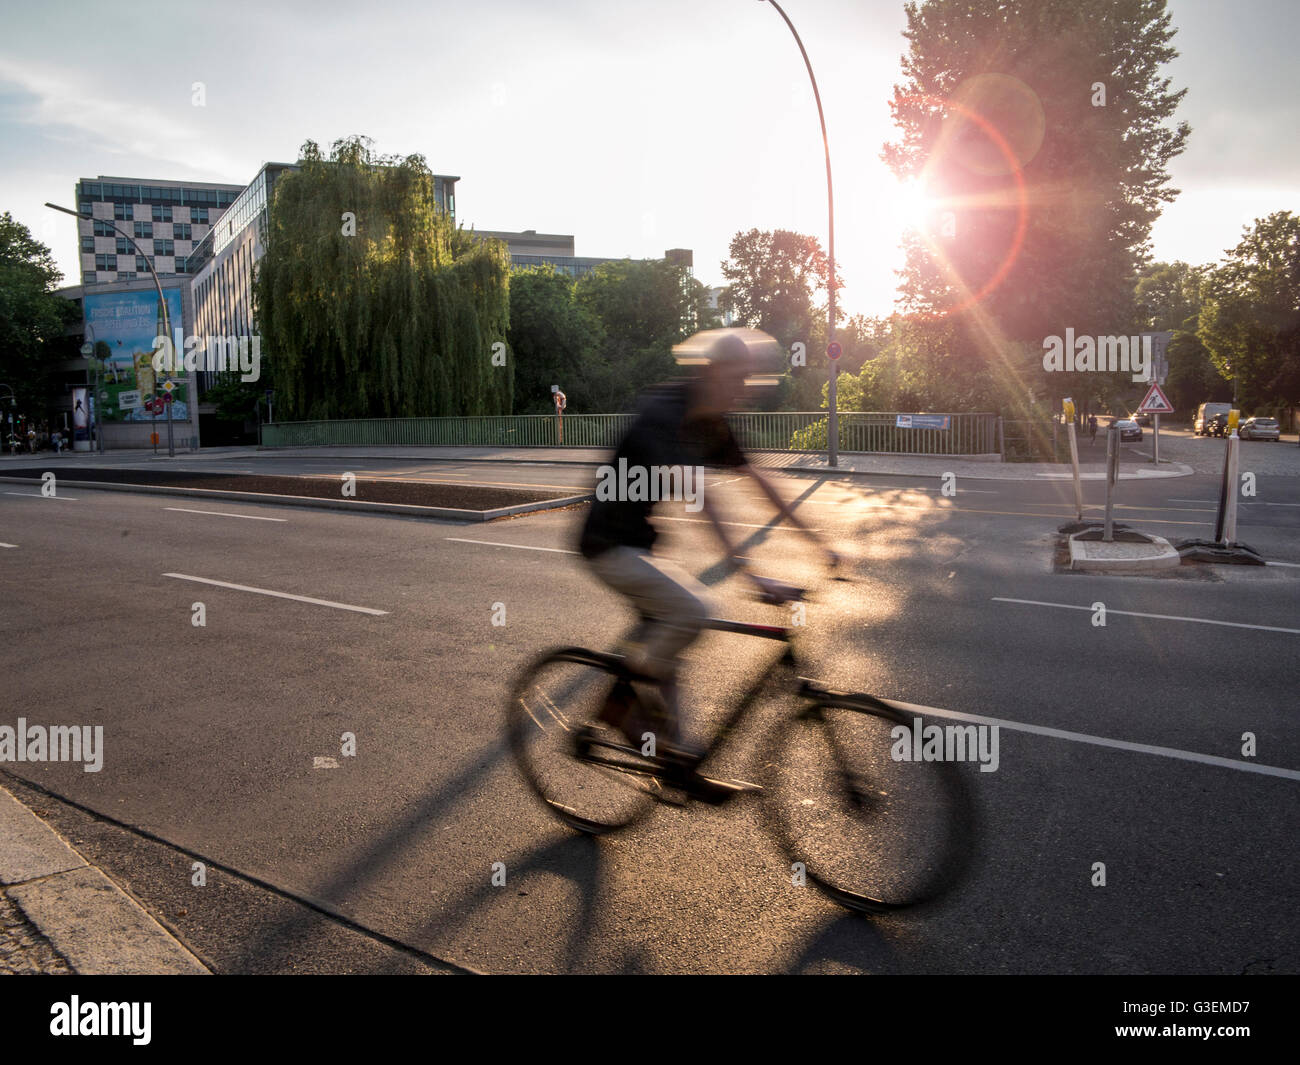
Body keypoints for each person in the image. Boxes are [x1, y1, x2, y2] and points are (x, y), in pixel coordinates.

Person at [576, 329, 839, 764]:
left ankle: (675, 759)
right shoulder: (664, 411)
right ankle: (619, 705)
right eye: (737, 379)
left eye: (748, 380)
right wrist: (749, 573)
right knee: (694, 610)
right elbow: (698, 493)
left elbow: (759, 483)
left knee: (672, 649)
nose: (743, 391)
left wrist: (819, 544)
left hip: (641, 545)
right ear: (712, 372)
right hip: (607, 544)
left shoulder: (712, 419)